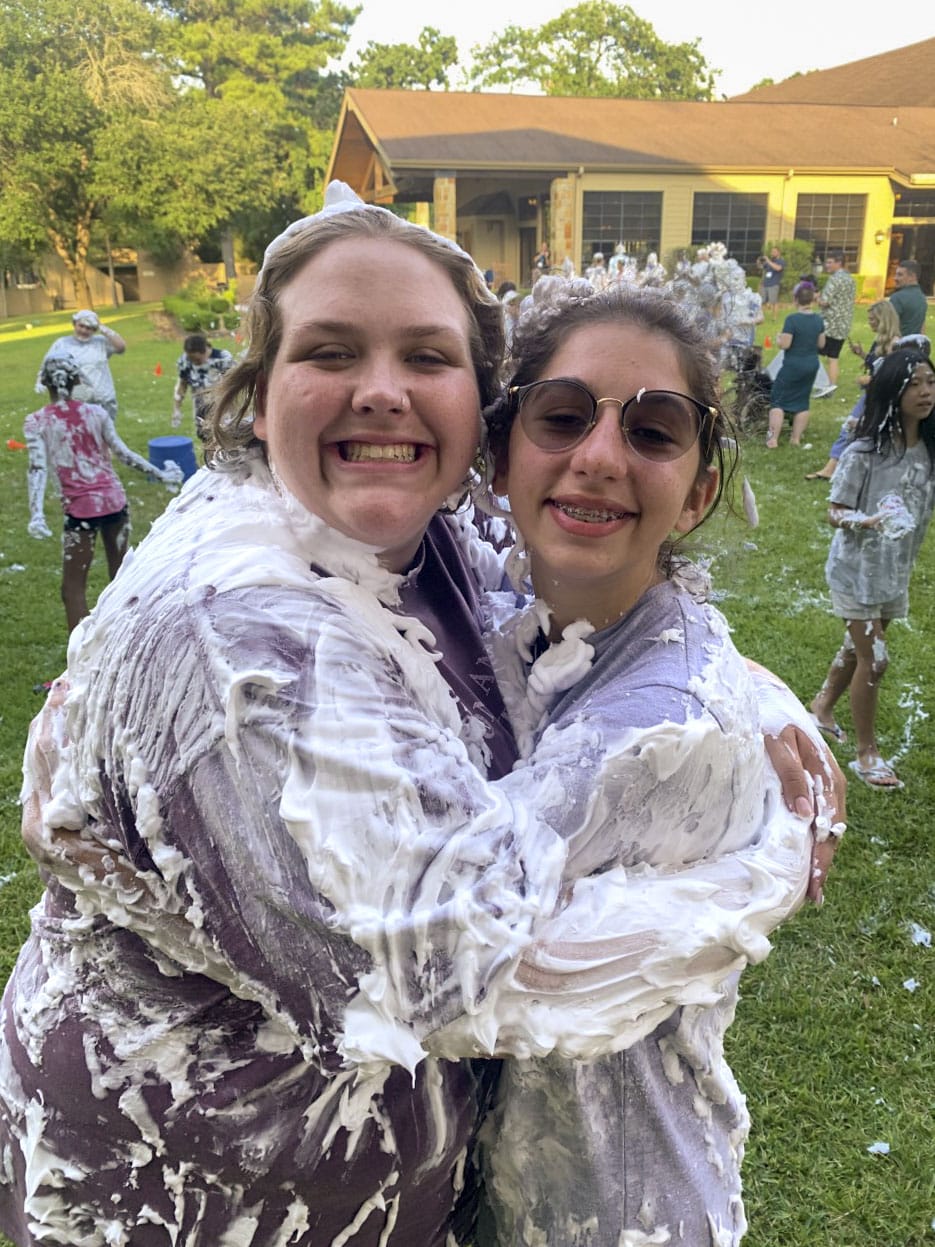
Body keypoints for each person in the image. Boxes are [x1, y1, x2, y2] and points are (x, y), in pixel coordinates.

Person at [0, 184, 841, 1247]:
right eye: (330, 351)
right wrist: (763, 867)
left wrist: (746, 694)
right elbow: (445, 972)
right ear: (257, 397)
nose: (381, 391)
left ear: (474, 417)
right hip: (183, 1194)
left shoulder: (414, 538)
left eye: (427, 357)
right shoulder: (236, 644)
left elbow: (572, 597)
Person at [474, 283, 836, 1245]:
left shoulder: (655, 734)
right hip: (517, 1185)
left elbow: (423, 955)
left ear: (698, 492)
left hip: (616, 1208)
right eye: (562, 417)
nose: (598, 456)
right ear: (500, 456)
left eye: (652, 431)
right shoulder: (521, 604)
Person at [810, 349, 935, 788]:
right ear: (891, 392)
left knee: (857, 649)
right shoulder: (864, 452)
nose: (925, 392)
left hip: (893, 573)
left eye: (930, 382)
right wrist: (867, 520)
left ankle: (821, 708)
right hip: (855, 572)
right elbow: (835, 511)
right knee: (875, 659)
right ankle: (867, 754)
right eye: (914, 384)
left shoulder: (928, 450)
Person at [24, 355, 181, 632]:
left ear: (45, 382)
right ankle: (127, 637)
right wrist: (160, 474)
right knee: (122, 579)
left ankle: (81, 652)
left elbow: (37, 468)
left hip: (80, 511)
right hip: (114, 502)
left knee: (73, 588)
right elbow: (123, 453)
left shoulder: (37, 421)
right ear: (76, 380)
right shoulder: (96, 413)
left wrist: (36, 514)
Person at [805, 300, 902, 481]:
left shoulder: (894, 344)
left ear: (883, 319)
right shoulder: (881, 341)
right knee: (853, 428)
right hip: (872, 394)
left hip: (879, 397)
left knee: (852, 427)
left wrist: (870, 380)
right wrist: (862, 354)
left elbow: (893, 374)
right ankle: (835, 467)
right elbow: (878, 364)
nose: (870, 322)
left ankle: (833, 468)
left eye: (873, 319)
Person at [37, 309, 126, 420]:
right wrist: (40, 380)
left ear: (94, 329)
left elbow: (121, 347)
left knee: (105, 428)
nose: (84, 330)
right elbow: (48, 364)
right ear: (74, 324)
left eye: (89, 328)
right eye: (81, 326)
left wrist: (101, 327)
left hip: (104, 398)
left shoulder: (101, 342)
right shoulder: (62, 343)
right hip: (76, 400)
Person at [766, 282, 826, 448]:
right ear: (812, 299)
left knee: (778, 401)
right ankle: (796, 438)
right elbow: (821, 344)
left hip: (793, 364)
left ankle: (773, 439)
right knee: (802, 401)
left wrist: (779, 339)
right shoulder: (818, 319)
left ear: (795, 299)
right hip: (811, 364)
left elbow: (786, 344)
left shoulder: (792, 319)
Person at [171, 332, 235, 442]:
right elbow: (182, 385)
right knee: (205, 438)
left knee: (224, 438)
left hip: (222, 406)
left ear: (205, 350)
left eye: (197, 360)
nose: (194, 363)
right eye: (191, 359)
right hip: (200, 406)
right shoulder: (185, 361)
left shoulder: (223, 359)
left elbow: (235, 385)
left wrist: (233, 411)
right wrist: (176, 409)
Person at [816, 250, 856, 393]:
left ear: (839, 262)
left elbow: (825, 302)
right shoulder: (850, 279)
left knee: (813, 353)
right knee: (833, 357)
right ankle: (831, 386)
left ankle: (815, 382)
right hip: (843, 324)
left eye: (830, 262)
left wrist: (816, 297)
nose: (826, 265)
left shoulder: (834, 279)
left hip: (829, 325)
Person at [888, 259, 929, 336]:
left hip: (899, 342)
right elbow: (922, 329)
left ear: (912, 277)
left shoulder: (897, 298)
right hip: (915, 343)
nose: (895, 278)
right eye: (896, 274)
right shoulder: (922, 298)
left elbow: (887, 328)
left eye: (900, 275)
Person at [759, 245, 785, 309]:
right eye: (772, 252)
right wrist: (759, 262)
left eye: (774, 252)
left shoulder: (781, 261)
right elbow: (761, 267)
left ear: (778, 253)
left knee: (774, 302)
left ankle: (774, 315)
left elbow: (778, 268)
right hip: (765, 284)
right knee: (762, 301)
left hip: (773, 284)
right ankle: (762, 314)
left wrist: (768, 261)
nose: (772, 253)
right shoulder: (769, 261)